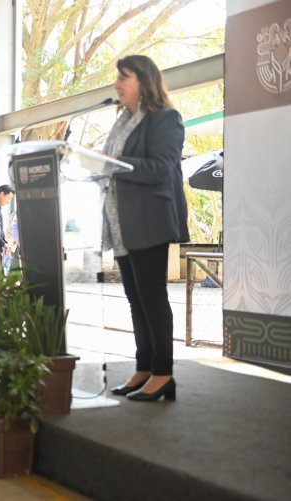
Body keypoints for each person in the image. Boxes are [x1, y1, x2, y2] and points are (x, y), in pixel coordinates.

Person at [103, 55, 188, 402]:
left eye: (124, 77)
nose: (117, 84)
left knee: (152, 298)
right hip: (121, 223)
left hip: (149, 220)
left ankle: (163, 373)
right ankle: (144, 367)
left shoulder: (166, 119)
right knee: (135, 299)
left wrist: (112, 164)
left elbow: (161, 169)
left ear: (144, 81)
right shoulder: (124, 120)